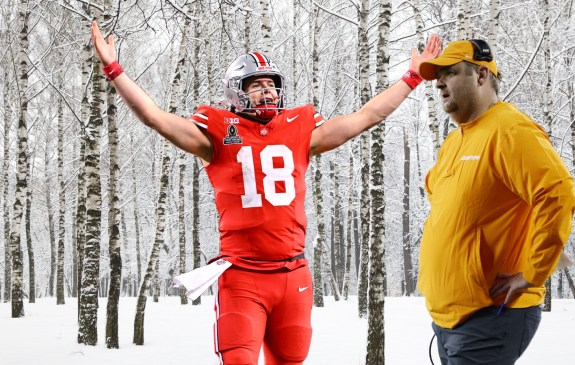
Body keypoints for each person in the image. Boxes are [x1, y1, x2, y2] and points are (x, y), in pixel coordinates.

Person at [90, 21, 441, 365]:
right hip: (242, 274)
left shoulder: (299, 127)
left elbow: (365, 117)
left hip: (293, 274)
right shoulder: (217, 132)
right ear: (235, 91)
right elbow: (155, 117)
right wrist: (115, 69)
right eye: (256, 85)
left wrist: (410, 78)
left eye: (271, 85)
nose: (267, 92)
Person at [416, 39, 575, 364]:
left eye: (450, 72)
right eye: (437, 76)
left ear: (480, 76)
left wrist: (533, 272)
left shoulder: (510, 130)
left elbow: (557, 192)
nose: (439, 83)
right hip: (451, 320)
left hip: (492, 317)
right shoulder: (455, 140)